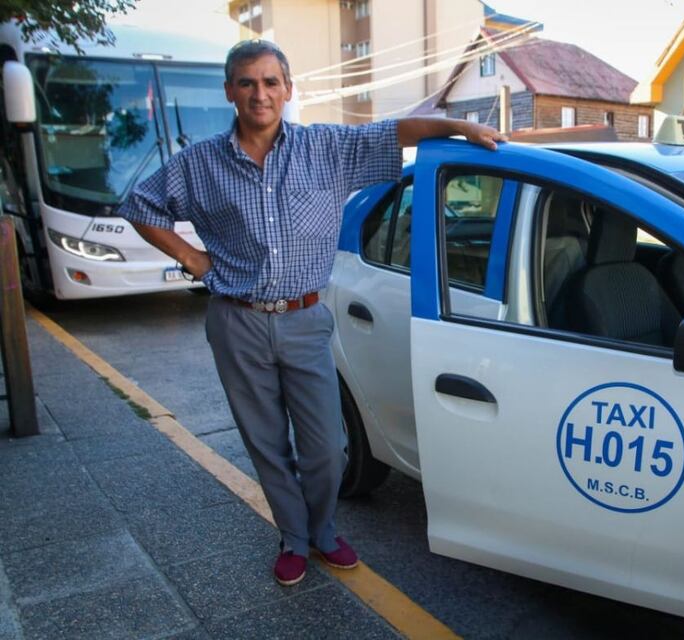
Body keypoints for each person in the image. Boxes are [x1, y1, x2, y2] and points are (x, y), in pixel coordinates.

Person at [119, 39, 504, 587]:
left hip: (304, 320)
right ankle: (295, 538)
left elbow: (397, 131)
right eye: (247, 82)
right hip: (237, 321)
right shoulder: (199, 164)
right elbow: (139, 205)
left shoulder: (325, 147)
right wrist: (191, 258)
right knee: (266, 441)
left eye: (271, 82)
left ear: (288, 89)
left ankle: (323, 527)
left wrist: (461, 129)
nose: (260, 93)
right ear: (230, 91)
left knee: (328, 446)